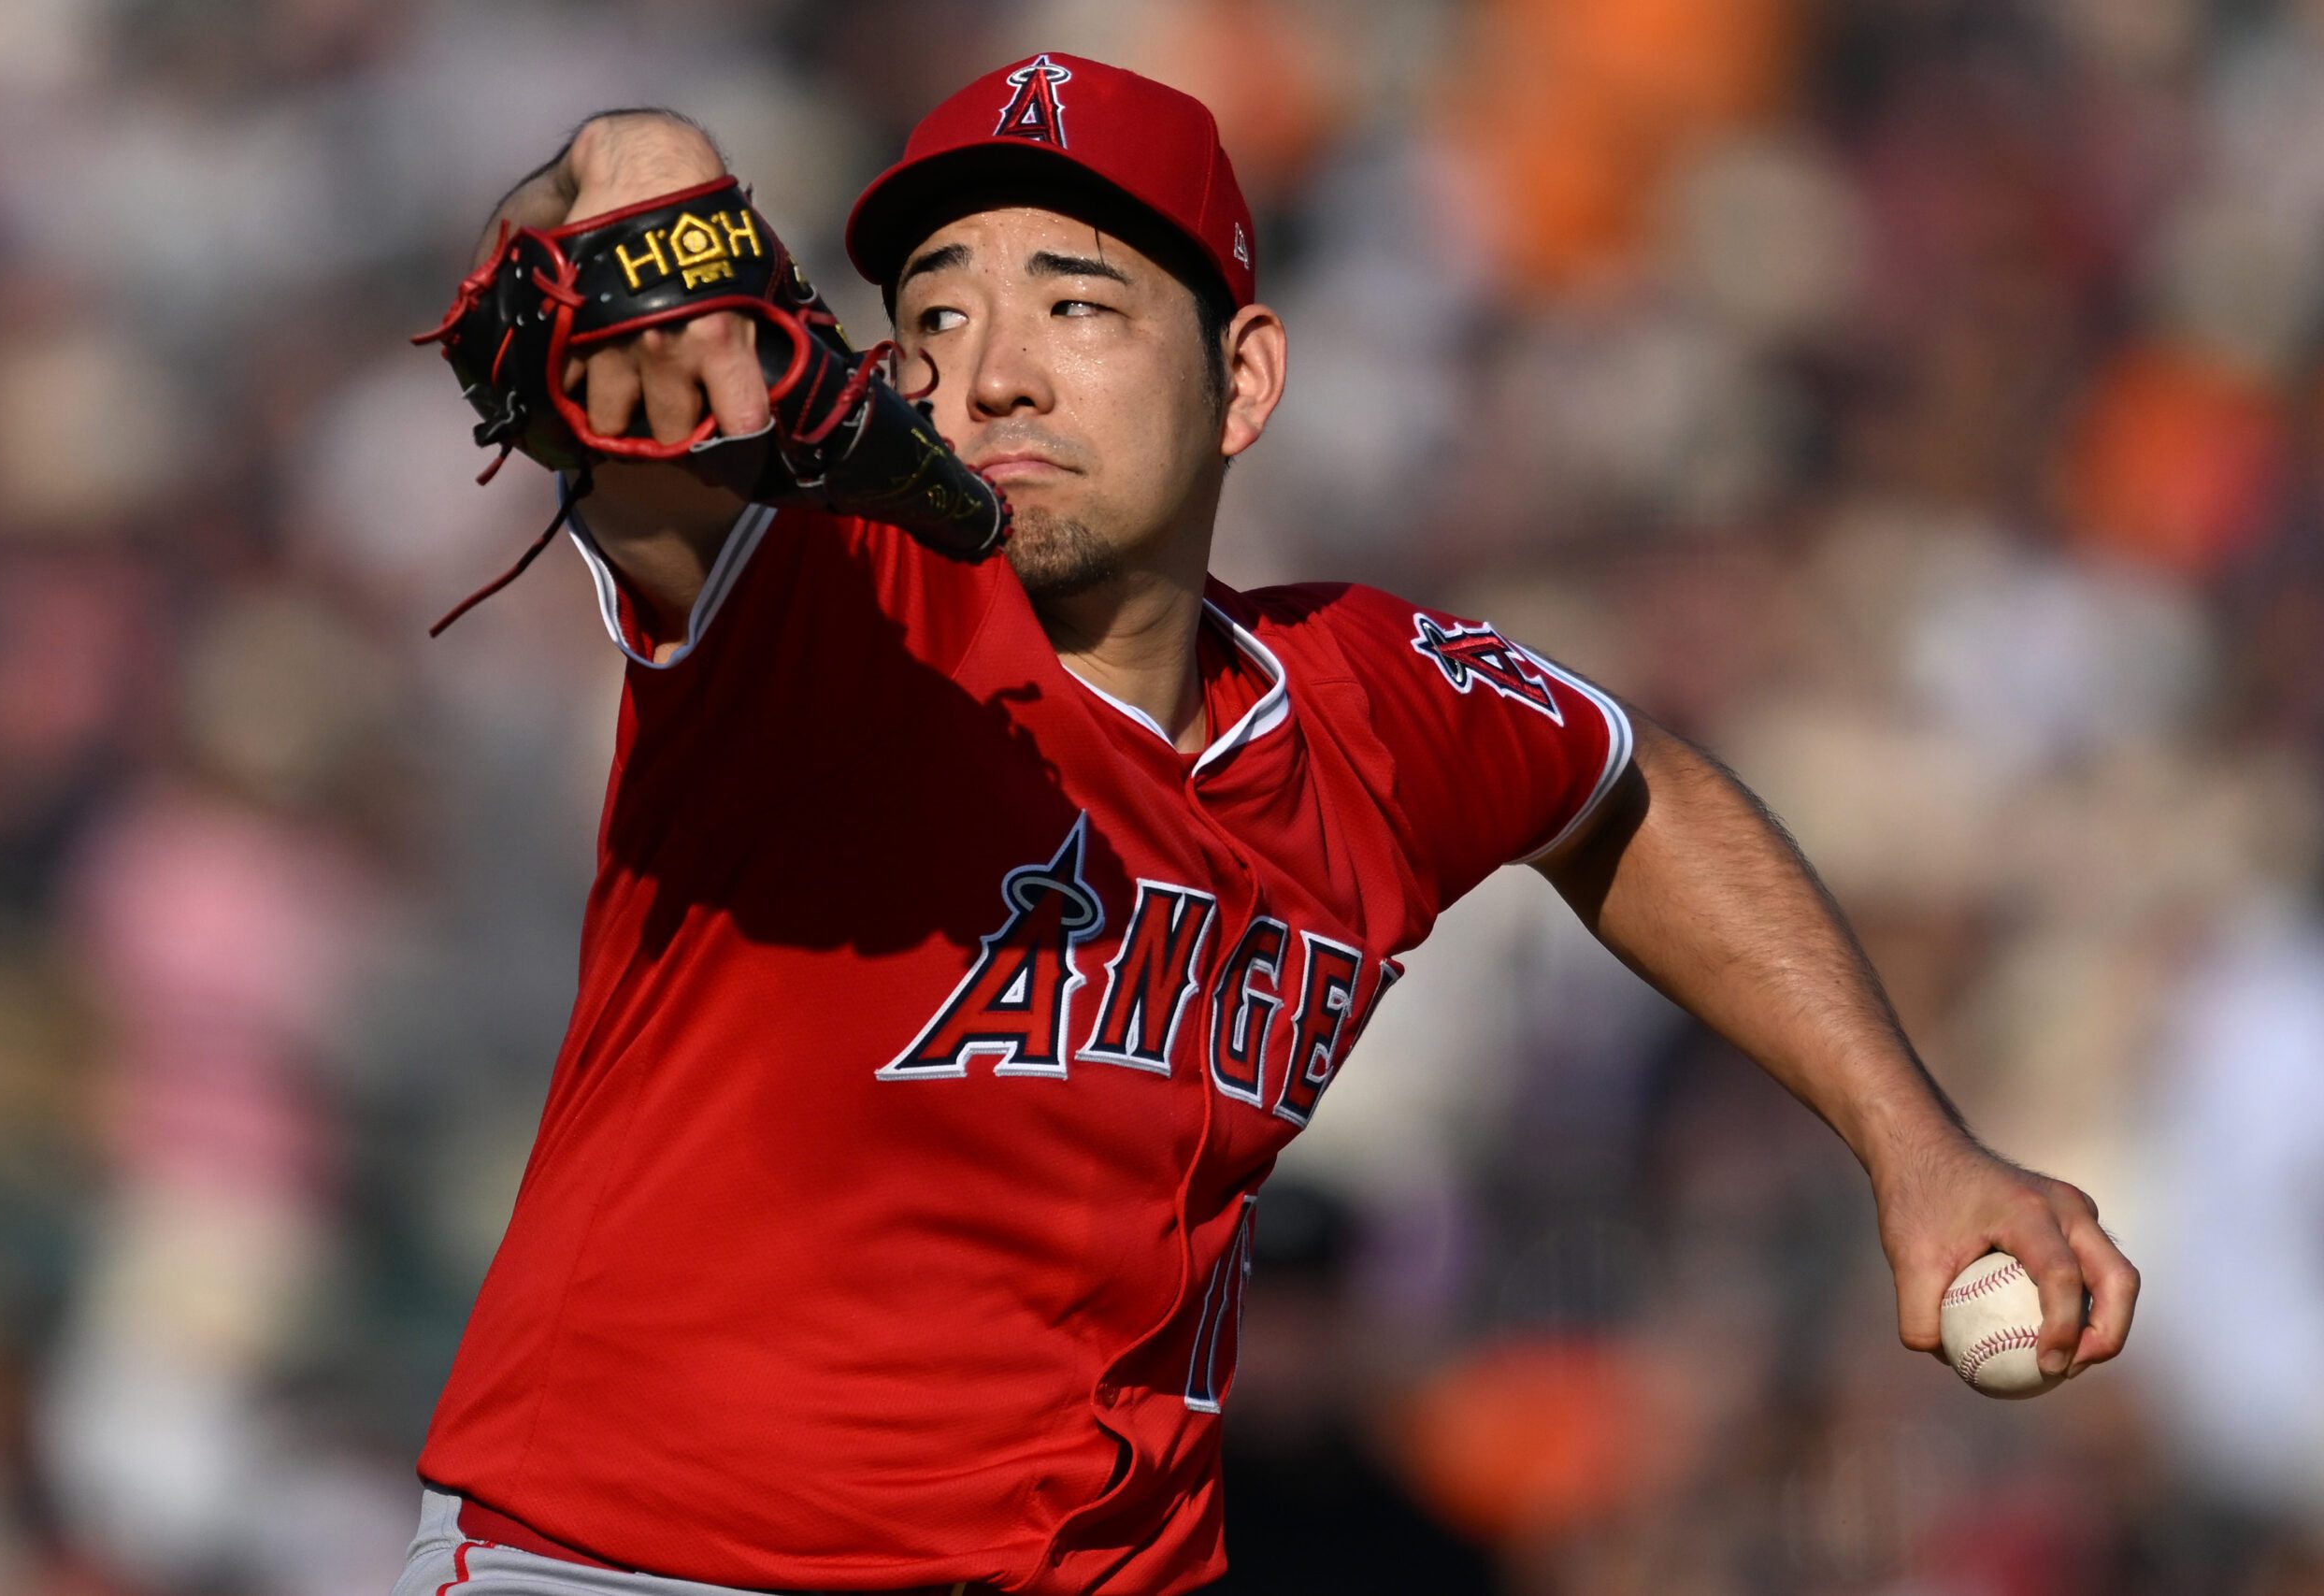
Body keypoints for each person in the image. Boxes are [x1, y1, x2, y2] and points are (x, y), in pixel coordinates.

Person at [389, 51, 2138, 1596]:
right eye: (931, 312)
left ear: (1242, 381)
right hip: (641, 1567)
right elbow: (627, 205)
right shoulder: (814, 608)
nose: (990, 372)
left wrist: (1917, 1146)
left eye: (1075, 306)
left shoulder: (1368, 702)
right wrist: (650, 205)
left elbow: (1636, 789)